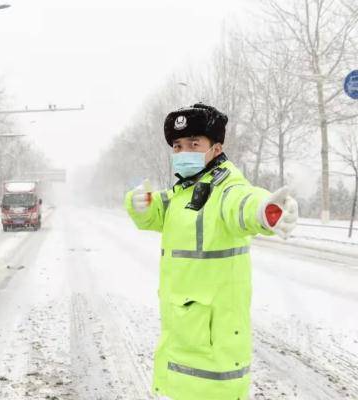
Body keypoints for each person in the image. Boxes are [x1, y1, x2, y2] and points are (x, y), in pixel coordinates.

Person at [124, 103, 298, 400]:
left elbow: (242, 203)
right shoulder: (185, 191)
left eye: (194, 143)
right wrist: (138, 202)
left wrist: (266, 210)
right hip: (185, 334)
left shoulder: (225, 187)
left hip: (213, 345)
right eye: (177, 146)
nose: (183, 152)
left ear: (216, 148)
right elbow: (157, 211)